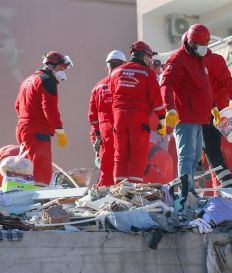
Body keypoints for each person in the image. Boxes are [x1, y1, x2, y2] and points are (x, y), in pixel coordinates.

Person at [160, 24, 217, 189]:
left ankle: (190, 189)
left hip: (199, 117)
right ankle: (185, 191)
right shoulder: (178, 59)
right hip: (185, 116)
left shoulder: (198, 59)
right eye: (200, 46)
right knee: (186, 156)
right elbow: (166, 83)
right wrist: (170, 108)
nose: (203, 49)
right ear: (191, 43)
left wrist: (212, 106)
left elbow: (204, 87)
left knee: (195, 158)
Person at [109, 41, 165, 184]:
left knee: (120, 154)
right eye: (148, 57)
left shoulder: (116, 72)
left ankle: (118, 189)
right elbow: (156, 100)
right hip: (138, 118)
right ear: (143, 56)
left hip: (119, 119)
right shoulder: (147, 73)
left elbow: (112, 92)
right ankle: (133, 189)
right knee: (138, 155)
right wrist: (162, 120)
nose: (149, 60)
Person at [15, 51, 72, 186]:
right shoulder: (47, 81)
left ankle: (26, 195)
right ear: (50, 66)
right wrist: (59, 130)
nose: (62, 73)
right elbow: (50, 110)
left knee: (27, 167)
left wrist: (28, 120)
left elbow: (17, 105)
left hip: (22, 128)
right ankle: (40, 200)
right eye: (60, 69)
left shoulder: (26, 81)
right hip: (37, 131)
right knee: (41, 169)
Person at [205, 46, 232, 188]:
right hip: (221, 111)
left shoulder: (194, 63)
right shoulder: (216, 60)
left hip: (207, 112)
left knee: (209, 150)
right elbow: (228, 80)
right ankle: (228, 183)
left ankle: (226, 182)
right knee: (214, 149)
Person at [88, 50, 126, 187]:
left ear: (107, 67)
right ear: (124, 65)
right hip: (124, 131)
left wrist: (96, 137)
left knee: (106, 170)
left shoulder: (98, 87)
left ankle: (104, 195)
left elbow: (92, 117)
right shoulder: (126, 84)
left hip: (105, 134)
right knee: (124, 168)